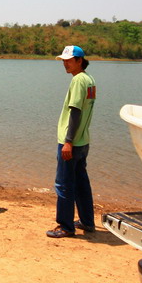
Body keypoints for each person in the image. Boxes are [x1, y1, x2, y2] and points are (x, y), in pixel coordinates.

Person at [47, 45, 97, 238]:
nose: (65, 64)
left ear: (79, 60)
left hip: (72, 142)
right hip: (83, 141)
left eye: (69, 60)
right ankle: (87, 221)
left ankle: (66, 226)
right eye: (64, 61)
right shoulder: (89, 79)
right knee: (81, 183)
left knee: (64, 184)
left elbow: (75, 111)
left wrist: (68, 141)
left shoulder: (78, 81)